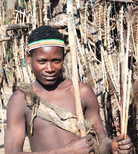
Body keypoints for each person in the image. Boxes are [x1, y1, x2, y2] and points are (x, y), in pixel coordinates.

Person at [4, 25, 133, 154]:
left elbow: (101, 140)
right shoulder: (21, 100)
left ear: (63, 57)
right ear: (28, 58)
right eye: (42, 61)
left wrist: (113, 147)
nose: (49, 68)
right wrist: (67, 151)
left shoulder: (82, 92)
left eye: (56, 60)